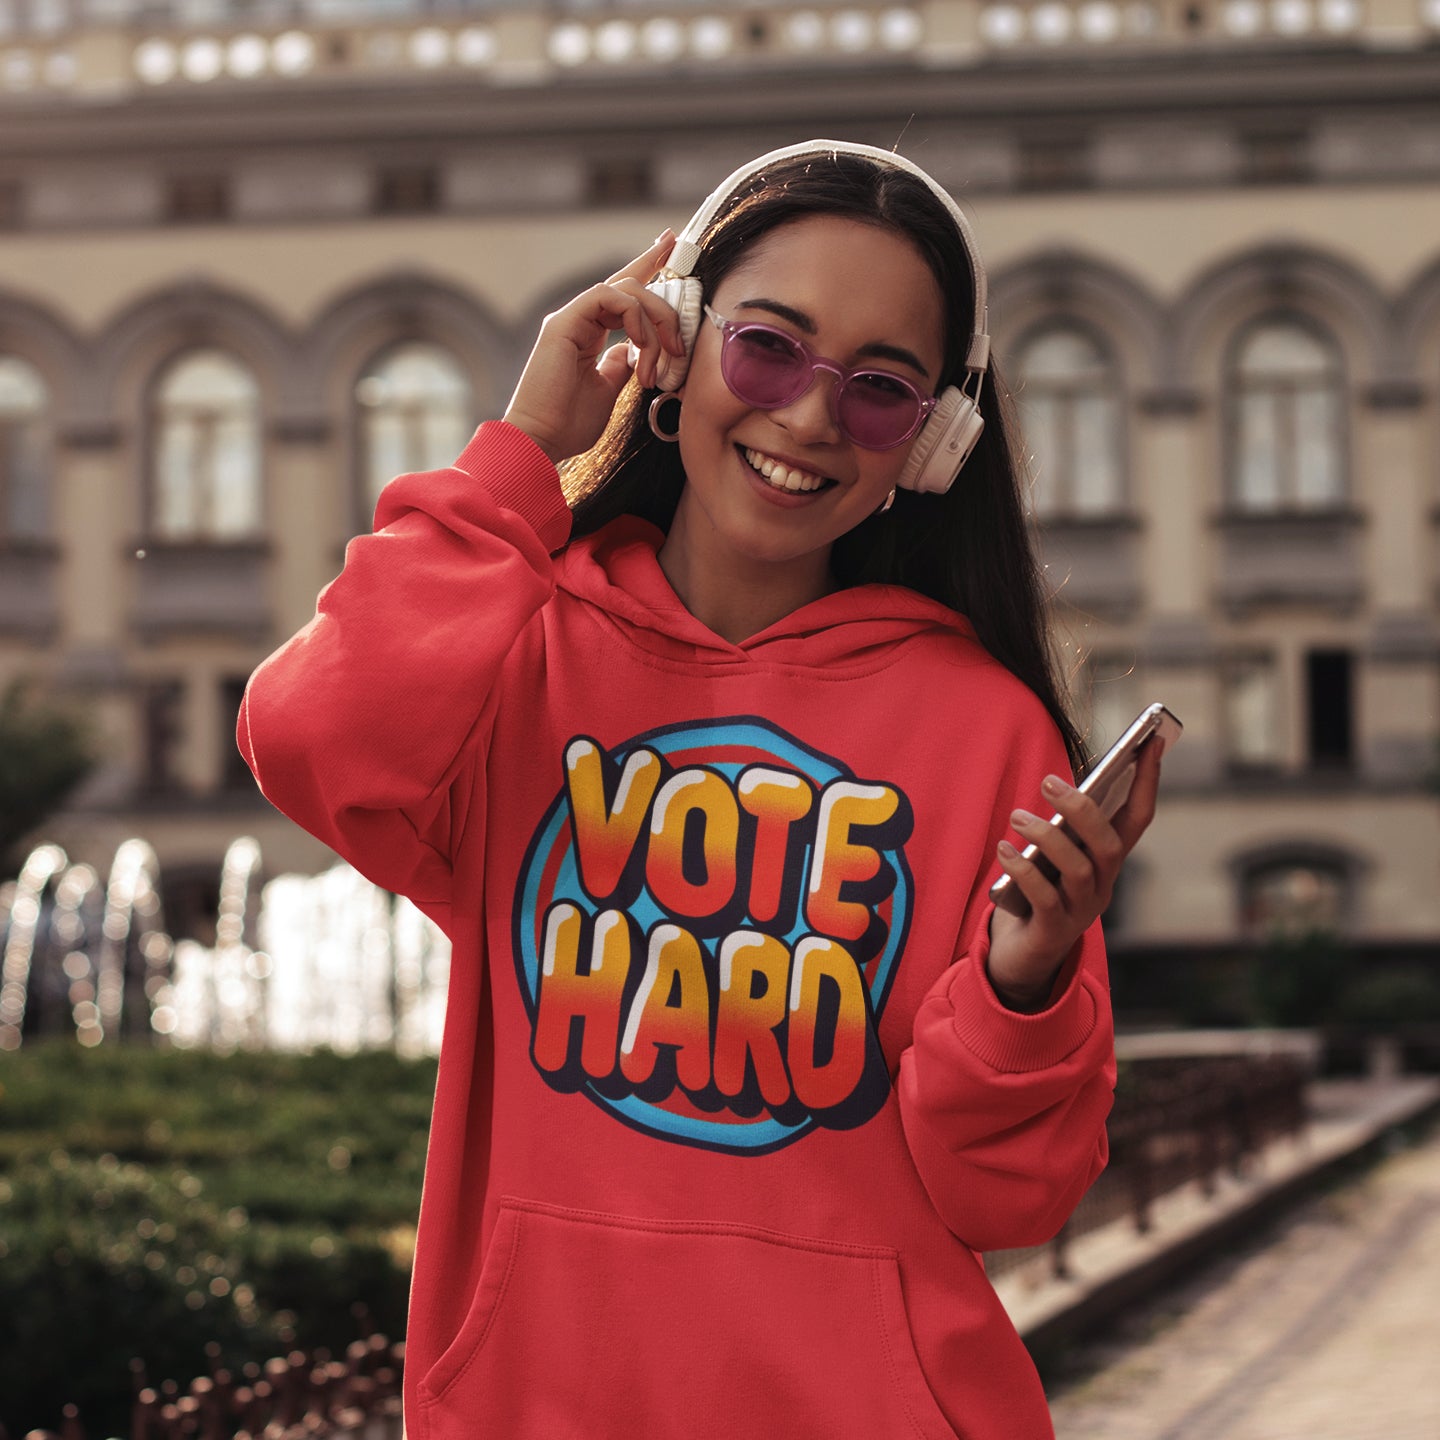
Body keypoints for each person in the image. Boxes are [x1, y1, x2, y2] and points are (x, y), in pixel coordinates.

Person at [239, 139, 1163, 1440]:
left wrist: (1022, 988)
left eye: (882, 388)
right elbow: (308, 738)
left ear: (934, 443)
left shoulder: (985, 730)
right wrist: (524, 452)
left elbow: (1009, 1199)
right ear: (671, 345)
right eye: (769, 347)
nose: (807, 418)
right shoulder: (519, 654)